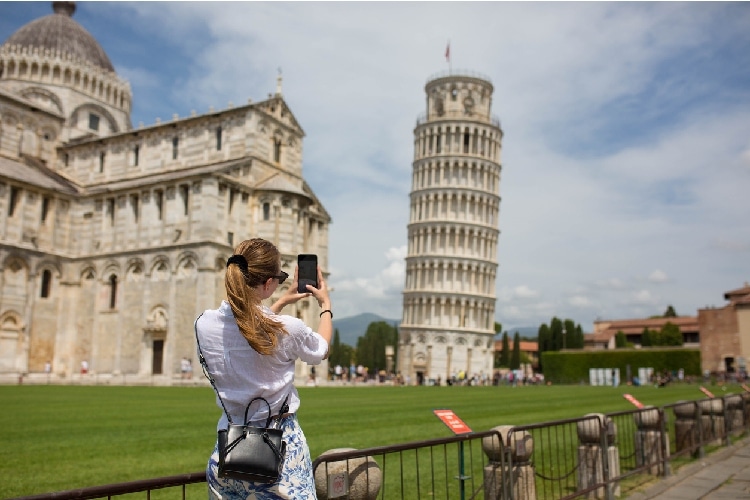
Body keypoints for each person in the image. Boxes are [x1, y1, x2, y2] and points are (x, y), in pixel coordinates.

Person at [195, 238, 332, 499]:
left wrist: (278, 304)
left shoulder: (203, 323)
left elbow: (251, 330)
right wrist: (326, 306)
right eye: (279, 277)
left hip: (229, 452)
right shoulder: (288, 328)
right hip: (279, 458)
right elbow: (320, 350)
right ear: (268, 283)